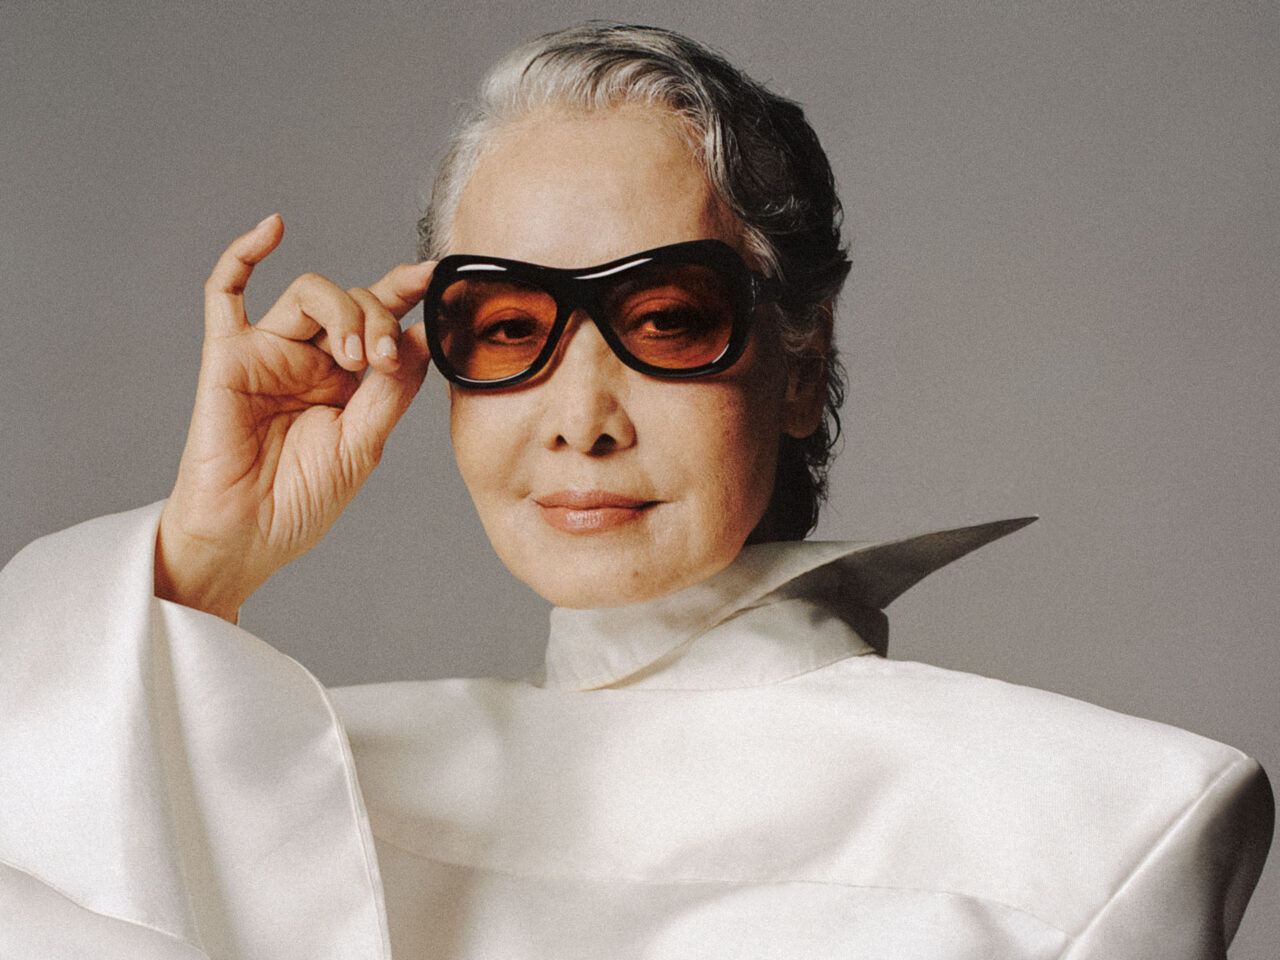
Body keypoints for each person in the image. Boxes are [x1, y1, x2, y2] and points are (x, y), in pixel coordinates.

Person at [0, 22, 1271, 960]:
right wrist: (203, 563)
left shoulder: (1103, 825)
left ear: (799, 359)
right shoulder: (295, 783)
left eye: (664, 318)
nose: (580, 419)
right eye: (508, 327)